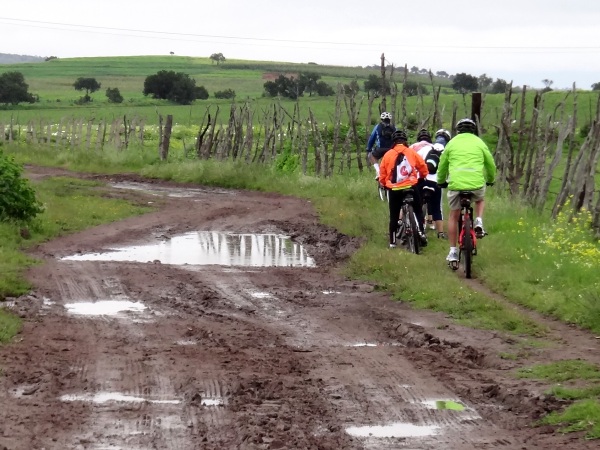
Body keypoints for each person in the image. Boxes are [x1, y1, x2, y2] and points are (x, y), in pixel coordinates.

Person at [436, 118, 497, 263]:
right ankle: (479, 220)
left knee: (453, 216)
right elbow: (490, 164)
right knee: (480, 199)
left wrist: (441, 181)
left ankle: (453, 251)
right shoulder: (479, 143)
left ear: (458, 131)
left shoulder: (451, 143)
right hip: (476, 183)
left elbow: (443, 165)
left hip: (456, 185)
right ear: (473, 130)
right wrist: (490, 179)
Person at [379, 129, 429, 249]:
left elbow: (382, 173)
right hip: (411, 185)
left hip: (394, 188)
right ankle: (421, 232)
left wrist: (384, 184)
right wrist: (422, 177)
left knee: (394, 215)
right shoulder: (411, 152)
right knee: (418, 210)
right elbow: (423, 167)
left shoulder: (388, 154)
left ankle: (392, 241)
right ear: (405, 141)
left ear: (393, 142)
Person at [416, 142, 446, 238]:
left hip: (422, 179)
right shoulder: (446, 153)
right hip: (436, 183)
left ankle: (418, 229)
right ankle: (440, 233)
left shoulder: (425, 149)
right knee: (437, 208)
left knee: (417, 206)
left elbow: (414, 160)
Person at [366, 112, 396, 179]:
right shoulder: (394, 128)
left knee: (371, 156)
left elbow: (372, 138)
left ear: (381, 119)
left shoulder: (377, 126)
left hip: (380, 149)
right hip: (391, 150)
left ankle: (378, 171)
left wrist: (369, 148)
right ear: (390, 119)